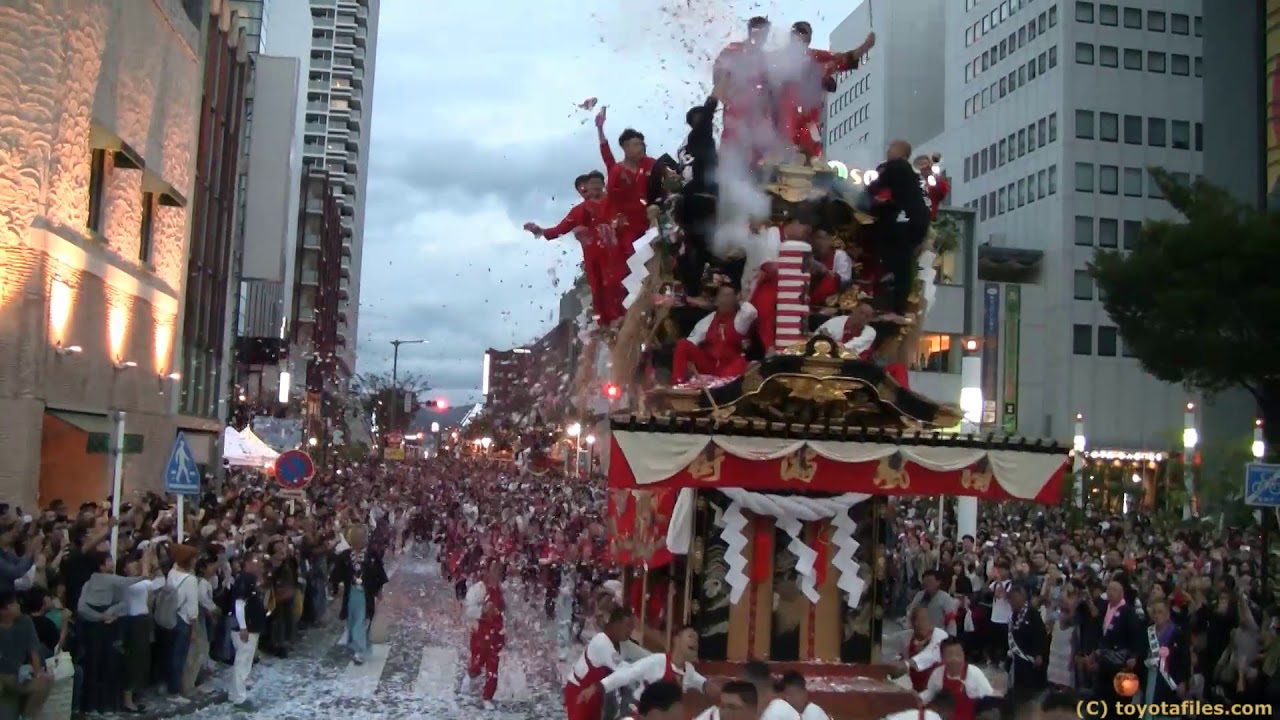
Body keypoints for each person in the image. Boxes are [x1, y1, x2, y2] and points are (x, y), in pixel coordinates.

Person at [525, 171, 624, 325]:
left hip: (616, 252)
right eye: (586, 188)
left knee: (616, 283)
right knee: (598, 289)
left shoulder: (613, 201)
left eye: (597, 185)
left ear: (602, 185)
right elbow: (559, 230)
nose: (591, 190)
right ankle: (605, 324)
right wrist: (540, 231)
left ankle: (621, 315)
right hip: (593, 258)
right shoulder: (579, 210)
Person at [777, 22, 875, 160]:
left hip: (809, 120)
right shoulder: (777, 59)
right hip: (785, 120)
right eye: (799, 32)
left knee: (810, 152)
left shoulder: (816, 57)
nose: (802, 37)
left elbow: (843, 60)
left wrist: (865, 47)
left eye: (806, 34)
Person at [865, 139, 931, 317]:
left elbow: (874, 187)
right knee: (903, 264)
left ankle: (891, 296)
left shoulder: (897, 167)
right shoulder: (908, 175)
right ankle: (899, 304)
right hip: (914, 224)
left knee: (894, 258)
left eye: (891, 148)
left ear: (900, 151)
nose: (888, 151)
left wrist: (871, 195)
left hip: (901, 224)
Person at [581, 625, 707, 709]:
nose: (695, 642)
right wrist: (599, 686)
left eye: (697, 640)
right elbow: (628, 673)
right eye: (691, 636)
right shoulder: (658, 661)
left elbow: (706, 685)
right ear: (676, 640)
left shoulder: (689, 672)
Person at [671, 284, 757, 384]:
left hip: (730, 365)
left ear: (736, 299)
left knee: (743, 360)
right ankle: (677, 382)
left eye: (728, 296)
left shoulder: (741, 319)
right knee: (682, 344)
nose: (724, 300)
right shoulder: (708, 320)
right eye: (722, 296)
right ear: (716, 300)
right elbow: (691, 342)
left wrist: (740, 299)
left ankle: (724, 383)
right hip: (710, 365)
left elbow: (751, 311)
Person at [713, 17, 772, 163]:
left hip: (758, 114)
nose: (762, 37)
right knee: (732, 145)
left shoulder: (766, 58)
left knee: (757, 152)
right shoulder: (733, 50)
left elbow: (771, 86)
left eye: (765, 33)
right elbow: (719, 73)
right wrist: (725, 96)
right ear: (751, 31)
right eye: (759, 32)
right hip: (736, 109)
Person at [564, 607, 635, 720]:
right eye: (628, 626)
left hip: (594, 694)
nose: (630, 631)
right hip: (579, 692)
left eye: (632, 627)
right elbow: (623, 669)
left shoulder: (617, 643)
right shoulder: (602, 642)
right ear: (616, 624)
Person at [334, 523, 389, 665]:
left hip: (366, 593)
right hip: (351, 592)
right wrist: (338, 587)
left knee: (362, 620)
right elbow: (337, 574)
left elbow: (379, 573)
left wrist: (379, 590)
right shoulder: (345, 556)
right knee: (352, 620)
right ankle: (355, 644)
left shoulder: (371, 555)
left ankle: (359, 649)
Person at [602, 128, 657, 252]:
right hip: (629, 228)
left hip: (651, 220)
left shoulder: (650, 164)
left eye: (642, 144)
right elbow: (612, 199)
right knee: (638, 259)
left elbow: (668, 174)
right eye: (636, 145)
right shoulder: (617, 171)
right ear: (625, 147)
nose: (640, 148)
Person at [920, 638, 1000, 720]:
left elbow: (989, 699)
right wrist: (919, 699)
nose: (955, 659)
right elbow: (930, 693)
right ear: (942, 658)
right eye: (950, 655)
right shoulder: (938, 673)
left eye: (958, 654)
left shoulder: (974, 673)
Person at [0, 590, 50, 717]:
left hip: (17, 676)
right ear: (5, 609)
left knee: (45, 681)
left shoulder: (25, 621)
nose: (18, 606)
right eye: (14, 604)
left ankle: (28, 716)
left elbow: (33, 650)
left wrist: (37, 673)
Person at [464, 560, 505, 709]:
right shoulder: (478, 590)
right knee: (478, 662)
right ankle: (472, 674)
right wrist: (482, 611)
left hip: (496, 634)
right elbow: (468, 610)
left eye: (498, 570)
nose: (496, 574)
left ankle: (488, 696)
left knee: (493, 665)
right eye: (493, 570)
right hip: (480, 633)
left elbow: (506, 610)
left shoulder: (502, 590)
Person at [230, 552, 268, 709]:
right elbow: (239, 604)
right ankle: (239, 698)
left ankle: (234, 693)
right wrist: (243, 627)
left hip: (250, 626)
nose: (260, 563)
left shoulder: (250, 579)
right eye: (256, 560)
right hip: (246, 628)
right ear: (247, 563)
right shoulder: (244, 580)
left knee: (243, 661)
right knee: (243, 663)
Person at [163, 543, 201, 695]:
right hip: (184, 620)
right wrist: (195, 629)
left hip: (170, 616)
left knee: (169, 654)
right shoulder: (190, 580)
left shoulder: (172, 572)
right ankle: (175, 690)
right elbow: (192, 608)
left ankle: (168, 684)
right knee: (179, 656)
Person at [1004, 585, 1047, 718]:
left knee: (1029, 692)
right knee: (1016, 689)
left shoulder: (1033, 614)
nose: (1012, 601)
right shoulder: (1014, 615)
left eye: (1014, 598)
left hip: (1030, 657)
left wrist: (1039, 653)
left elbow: (1041, 634)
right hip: (1017, 659)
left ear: (1022, 597)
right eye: (1010, 599)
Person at [1144, 598, 1191, 705]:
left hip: (1171, 679)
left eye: (1160, 612)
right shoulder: (1148, 632)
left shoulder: (1178, 634)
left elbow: (1185, 659)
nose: (1157, 615)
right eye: (1154, 612)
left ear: (1167, 614)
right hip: (1152, 677)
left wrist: (1182, 681)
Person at [893, 606, 949, 693]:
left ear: (930, 621)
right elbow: (890, 645)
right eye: (915, 620)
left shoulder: (940, 635)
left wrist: (907, 664)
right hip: (913, 688)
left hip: (934, 689)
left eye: (923, 619)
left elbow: (930, 655)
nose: (919, 624)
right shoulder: (908, 636)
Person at [807, 228, 854, 309]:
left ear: (830, 240)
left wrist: (825, 272)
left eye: (822, 238)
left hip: (831, 304)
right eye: (816, 238)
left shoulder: (839, 255)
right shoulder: (809, 256)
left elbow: (845, 280)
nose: (819, 242)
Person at [906, 569, 959, 637]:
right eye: (925, 582)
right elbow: (911, 612)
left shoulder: (945, 598)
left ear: (938, 582)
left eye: (930, 581)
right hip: (919, 633)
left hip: (938, 634)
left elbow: (951, 620)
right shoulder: (919, 595)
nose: (927, 584)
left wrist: (951, 636)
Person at [914, 154, 950, 221]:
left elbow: (942, 192)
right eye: (922, 168)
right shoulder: (915, 181)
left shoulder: (938, 181)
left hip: (929, 217)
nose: (925, 170)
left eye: (927, 168)